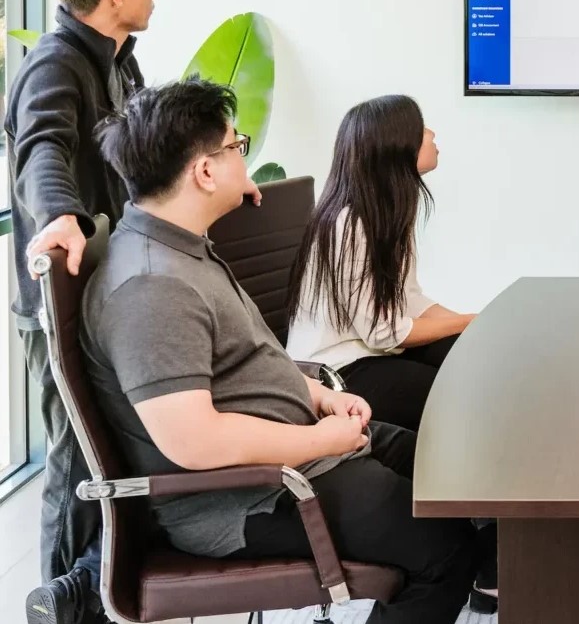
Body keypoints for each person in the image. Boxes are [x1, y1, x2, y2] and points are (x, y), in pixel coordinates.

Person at [83, 78, 488, 624]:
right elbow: (193, 440)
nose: (243, 157)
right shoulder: (152, 287)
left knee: (465, 477)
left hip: (304, 451)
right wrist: (315, 438)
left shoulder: (183, 249)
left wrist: (318, 395)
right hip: (256, 494)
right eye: (235, 147)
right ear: (204, 172)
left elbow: (249, 360)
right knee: (448, 547)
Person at [5, 0, 158, 624]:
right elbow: (39, 147)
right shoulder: (57, 64)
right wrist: (59, 213)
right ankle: (63, 607)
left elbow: (143, 148)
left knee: (108, 462)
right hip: (62, 302)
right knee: (75, 464)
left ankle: (102, 597)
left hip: (111, 294)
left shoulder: (118, 59)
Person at [285, 95, 477, 432]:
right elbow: (384, 332)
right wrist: (466, 321)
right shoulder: (350, 224)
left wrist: (475, 325)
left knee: (473, 356)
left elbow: (409, 298)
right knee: (459, 393)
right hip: (338, 369)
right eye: (420, 130)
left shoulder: (388, 211)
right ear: (396, 148)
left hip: (373, 351)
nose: (431, 134)